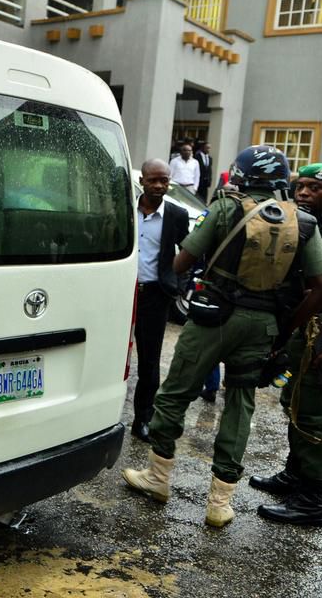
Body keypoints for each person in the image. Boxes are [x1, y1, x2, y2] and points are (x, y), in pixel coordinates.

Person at [122, 145, 322, 528]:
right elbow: (319, 286)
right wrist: (286, 327)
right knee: (240, 404)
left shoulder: (227, 207)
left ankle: (158, 478)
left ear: (243, 174)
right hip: (262, 328)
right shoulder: (306, 223)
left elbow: (182, 261)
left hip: (212, 319)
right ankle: (220, 502)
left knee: (176, 393)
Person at [252, 162, 322, 526]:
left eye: (315, 187)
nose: (304, 193)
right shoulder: (304, 226)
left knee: (313, 413)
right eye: (300, 186)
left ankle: (314, 497)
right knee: (293, 400)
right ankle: (295, 474)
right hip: (305, 332)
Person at [131, 159, 190, 442]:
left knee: (149, 363)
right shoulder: (125, 209)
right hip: (120, 293)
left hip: (155, 295)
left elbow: (190, 254)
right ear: (142, 181)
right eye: (153, 180)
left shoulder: (177, 215)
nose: (159, 186)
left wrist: (178, 285)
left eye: (164, 181)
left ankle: (142, 418)